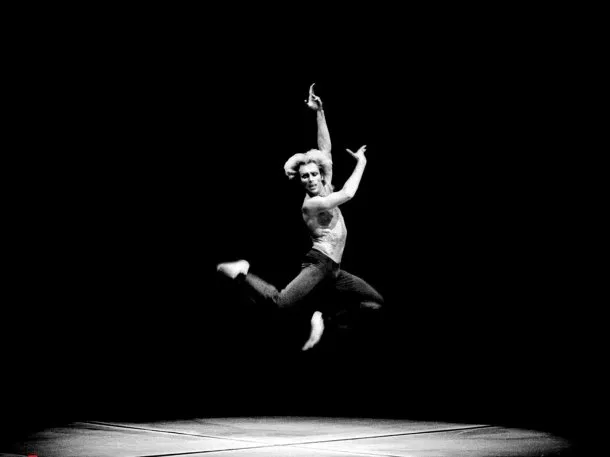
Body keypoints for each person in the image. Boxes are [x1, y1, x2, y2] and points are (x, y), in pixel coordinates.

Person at [217, 84, 384, 351]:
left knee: (374, 303)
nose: (311, 179)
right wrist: (361, 162)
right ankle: (241, 274)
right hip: (319, 264)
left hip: (334, 269)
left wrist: (319, 111)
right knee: (281, 304)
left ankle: (326, 322)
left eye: (314, 174)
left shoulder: (324, 183)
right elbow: (348, 193)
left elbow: (325, 148)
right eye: (305, 176)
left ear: (320, 173)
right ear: (300, 180)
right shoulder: (311, 204)